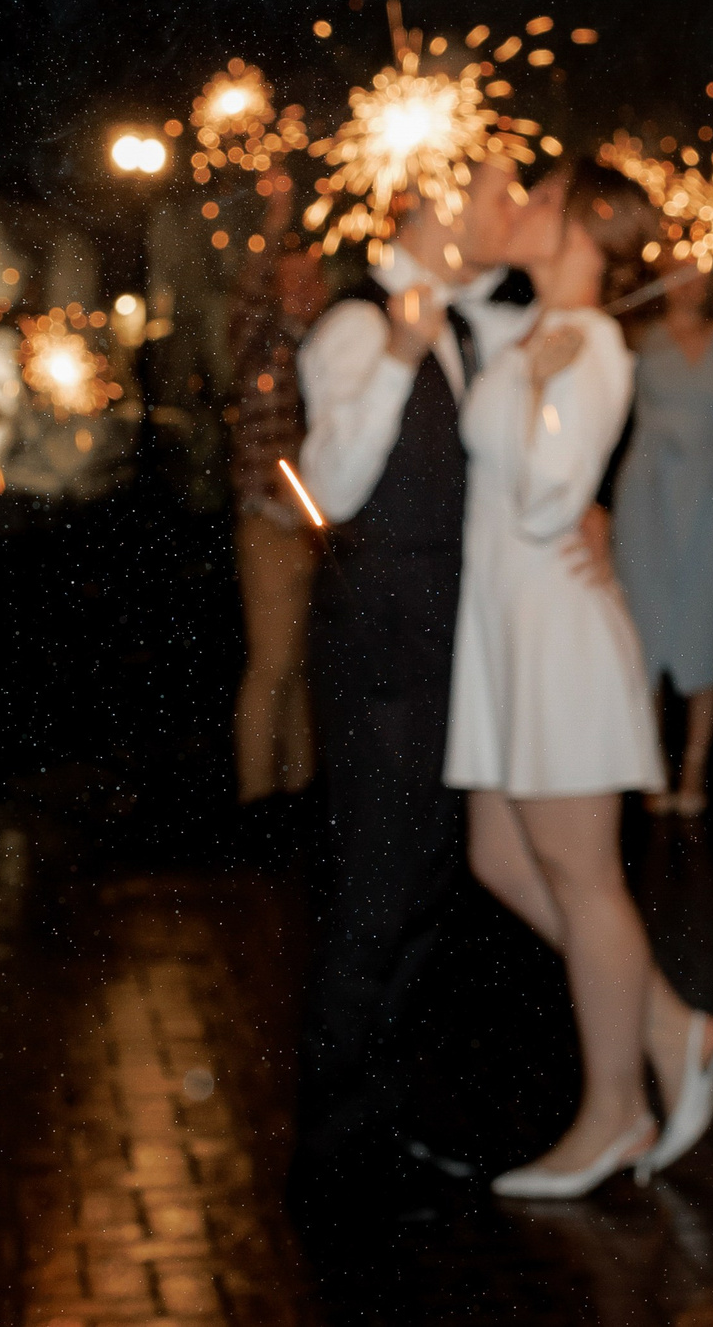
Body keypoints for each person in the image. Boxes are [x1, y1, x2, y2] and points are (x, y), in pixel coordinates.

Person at [447, 159, 713, 1197]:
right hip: (502, 631)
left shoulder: (590, 347)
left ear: (584, 230)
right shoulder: (531, 328)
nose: (521, 205)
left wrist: (542, 392)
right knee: (501, 857)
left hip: (555, 635)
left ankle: (616, 1110)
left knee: (585, 882)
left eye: (541, 197)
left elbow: (546, 501)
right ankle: (671, 1027)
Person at [288, 152, 538, 1208]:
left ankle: (385, 1113)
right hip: (385, 641)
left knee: (429, 880)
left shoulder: (474, 321)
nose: (511, 212)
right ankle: (332, 1145)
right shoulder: (356, 325)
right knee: (377, 888)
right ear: (432, 205)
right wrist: (398, 351)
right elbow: (330, 486)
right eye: (496, 194)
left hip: (449, 637)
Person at [612, 264, 713, 816]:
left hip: (707, 500)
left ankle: (695, 766)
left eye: (697, 274)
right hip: (645, 494)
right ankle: (651, 761)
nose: (687, 284)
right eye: (677, 273)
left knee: (705, 620)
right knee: (644, 624)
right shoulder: (638, 339)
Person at [226, 182, 331, 812]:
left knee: (299, 667)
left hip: (314, 528)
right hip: (269, 523)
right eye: (292, 281)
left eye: (313, 279)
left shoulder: (326, 347)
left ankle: (298, 792)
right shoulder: (258, 343)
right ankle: (257, 801)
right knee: (271, 665)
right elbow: (246, 294)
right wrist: (274, 222)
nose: (306, 290)